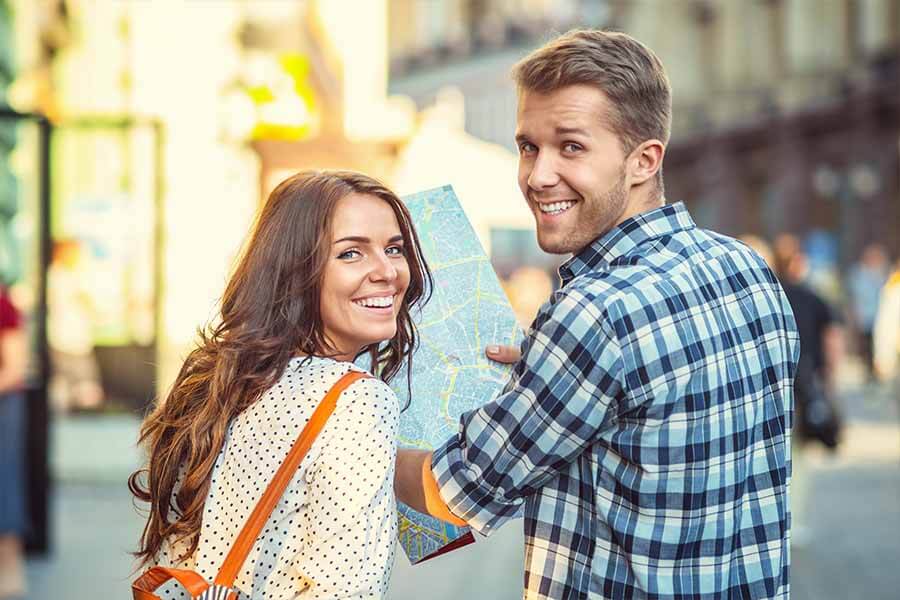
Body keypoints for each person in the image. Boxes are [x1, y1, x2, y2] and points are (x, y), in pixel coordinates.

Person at [395, 30, 799, 599]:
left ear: (644, 160)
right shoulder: (744, 267)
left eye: (571, 147)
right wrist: (547, 376)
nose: (537, 175)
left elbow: (451, 494)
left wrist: (359, 436)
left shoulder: (593, 315)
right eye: (528, 146)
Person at [129, 171, 432, 599]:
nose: (387, 272)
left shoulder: (216, 377)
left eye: (394, 249)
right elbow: (347, 591)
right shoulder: (358, 401)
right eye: (351, 254)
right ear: (297, 270)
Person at [0, 286, 28, 599]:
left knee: (3, 485)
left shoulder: (3, 304)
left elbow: (14, 367)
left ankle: (10, 567)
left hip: (3, 408)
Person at [848, 243, 890, 380]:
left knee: (876, 344)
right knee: (866, 345)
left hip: (878, 317)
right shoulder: (859, 275)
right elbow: (856, 297)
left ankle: (875, 370)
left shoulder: (881, 274)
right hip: (865, 317)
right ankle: (869, 370)